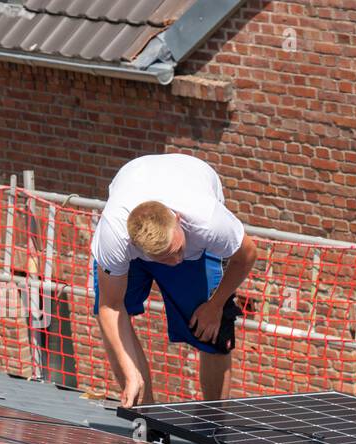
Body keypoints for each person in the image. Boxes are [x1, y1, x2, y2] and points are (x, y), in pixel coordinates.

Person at [91, 153, 259, 408]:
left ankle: (214, 426)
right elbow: (111, 307)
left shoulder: (209, 222)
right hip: (134, 181)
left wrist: (215, 306)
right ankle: (145, 416)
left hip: (195, 228)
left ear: (178, 220)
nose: (176, 261)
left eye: (177, 250)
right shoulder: (114, 236)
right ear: (135, 247)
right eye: (164, 258)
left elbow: (246, 257)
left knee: (212, 332)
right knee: (113, 322)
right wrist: (130, 372)